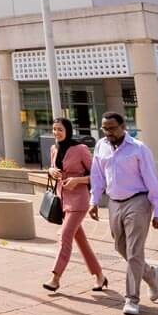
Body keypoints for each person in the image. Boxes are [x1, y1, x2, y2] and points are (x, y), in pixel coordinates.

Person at [88, 110, 158, 315]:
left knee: (134, 251)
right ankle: (150, 274)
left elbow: (152, 179)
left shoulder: (138, 149)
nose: (108, 132)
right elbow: (96, 175)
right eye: (104, 128)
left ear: (124, 127)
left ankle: (132, 299)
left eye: (112, 128)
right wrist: (94, 200)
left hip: (138, 201)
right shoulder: (101, 146)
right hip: (114, 201)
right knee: (120, 246)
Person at [42, 118, 105, 294]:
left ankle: (55, 278)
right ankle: (99, 275)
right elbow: (52, 168)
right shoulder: (54, 148)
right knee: (81, 241)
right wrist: (51, 171)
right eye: (54, 129)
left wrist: (78, 180)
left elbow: (98, 176)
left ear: (68, 130)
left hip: (79, 200)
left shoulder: (81, 149)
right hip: (62, 200)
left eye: (60, 129)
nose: (56, 133)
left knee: (65, 236)